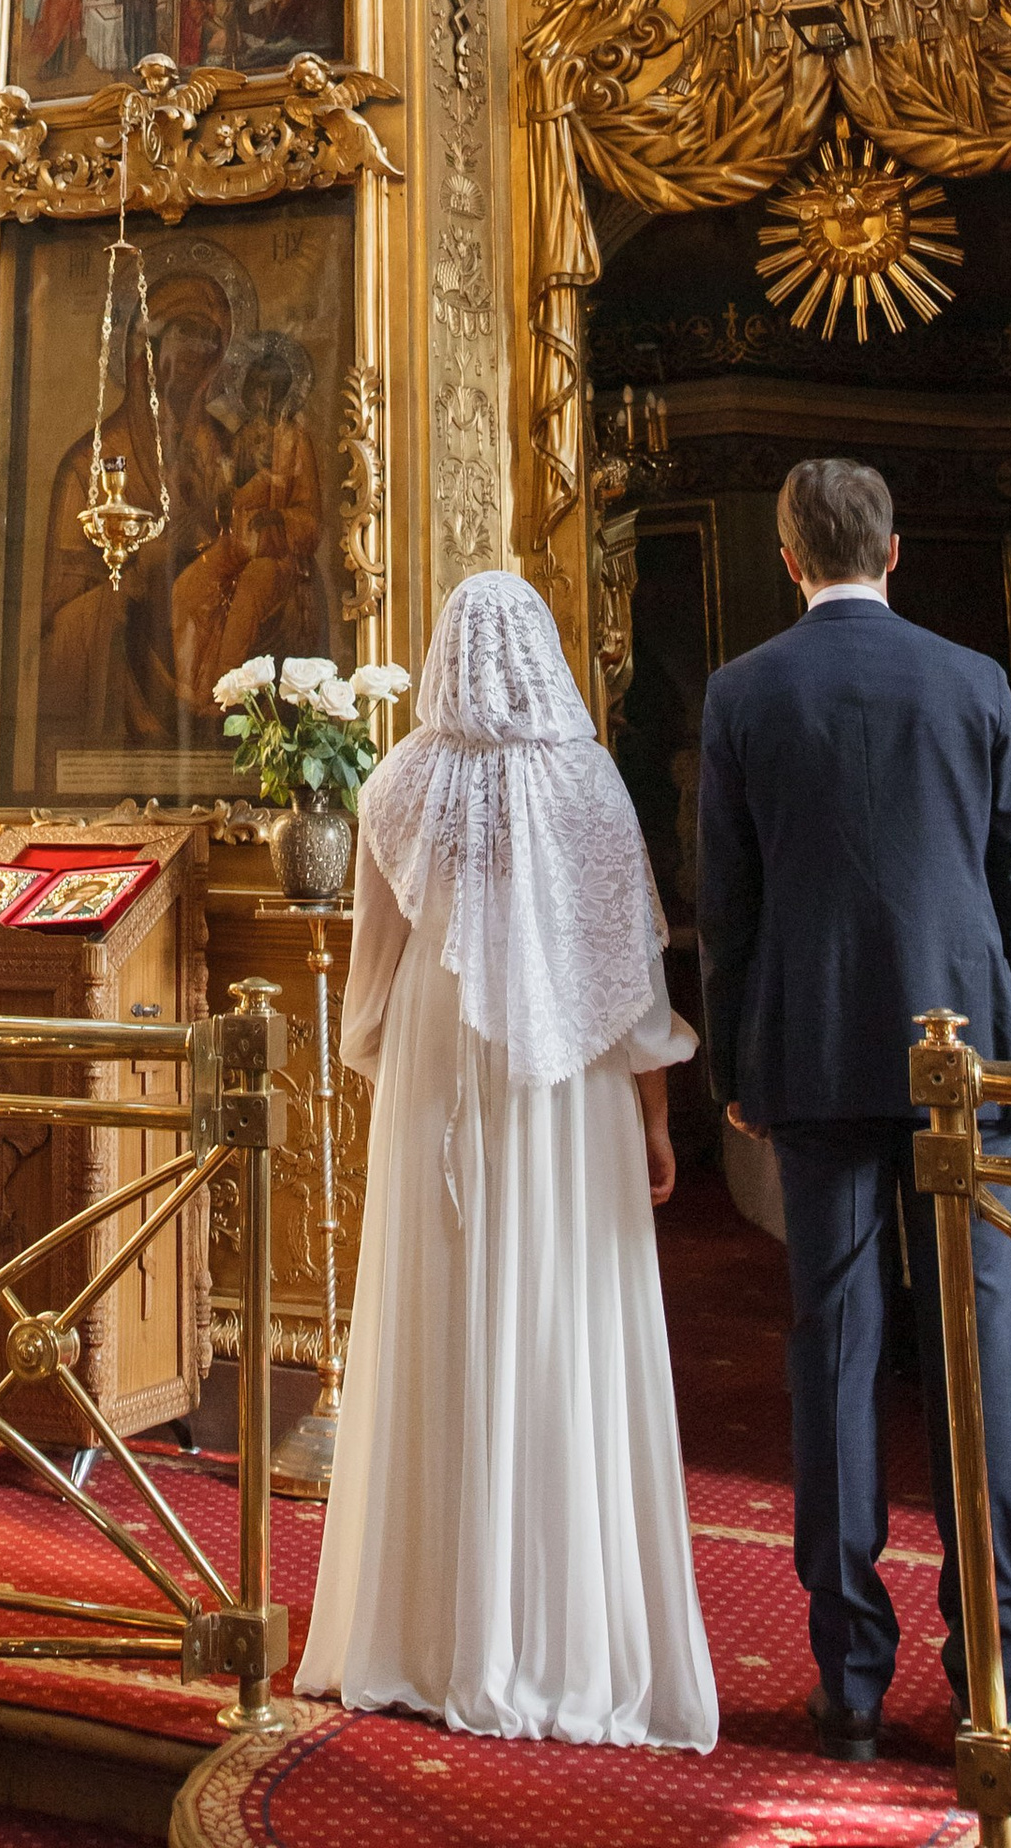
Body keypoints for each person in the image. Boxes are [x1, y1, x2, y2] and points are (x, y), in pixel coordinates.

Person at [298, 572, 717, 1750]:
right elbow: (634, 969)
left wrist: (401, 1067)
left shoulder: (396, 782)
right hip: (567, 1080)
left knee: (442, 1319)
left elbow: (370, 986)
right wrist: (649, 1119)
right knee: (556, 1323)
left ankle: (419, 1632)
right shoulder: (589, 782)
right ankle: (560, 1629)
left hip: (439, 1064)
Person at [697, 458, 1011, 1763]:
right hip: (966, 1071)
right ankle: (994, 1671)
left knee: (833, 1356)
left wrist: (735, 1067)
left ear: (790, 559)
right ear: (893, 553)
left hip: (810, 1051)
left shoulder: (742, 693)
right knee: (979, 1359)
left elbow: (726, 908)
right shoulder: (971, 683)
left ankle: (849, 1680)